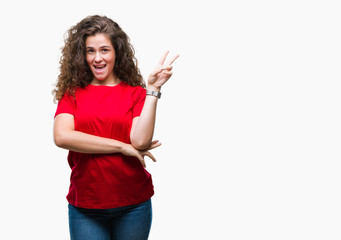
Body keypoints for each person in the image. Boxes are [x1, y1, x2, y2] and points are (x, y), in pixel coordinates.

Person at [52, 15, 179, 240]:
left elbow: (139, 142)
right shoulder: (72, 94)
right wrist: (122, 147)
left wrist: (152, 90)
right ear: (82, 55)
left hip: (133, 205)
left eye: (104, 50)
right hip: (86, 206)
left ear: (116, 53)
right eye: (90, 51)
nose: (97, 58)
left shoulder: (135, 94)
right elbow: (62, 137)